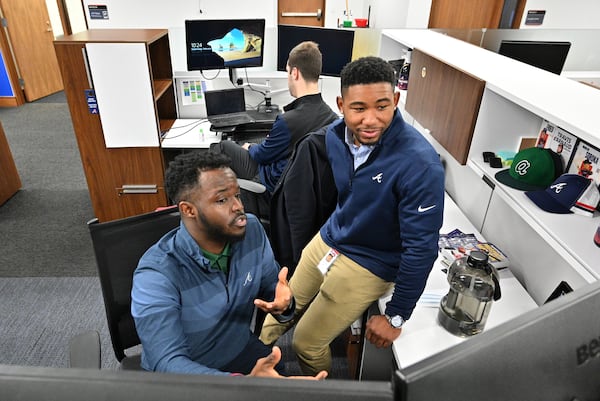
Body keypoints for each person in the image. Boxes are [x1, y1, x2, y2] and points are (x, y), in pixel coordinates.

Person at [259, 56, 446, 375]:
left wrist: (396, 316)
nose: (370, 119)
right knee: (277, 316)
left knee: (306, 344)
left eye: (382, 106)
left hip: (370, 262)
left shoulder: (420, 164)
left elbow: (421, 249)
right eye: (359, 108)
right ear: (341, 104)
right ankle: (242, 374)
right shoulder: (333, 136)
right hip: (330, 241)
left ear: (396, 100)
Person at [131, 151, 327, 379]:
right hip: (187, 372)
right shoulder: (156, 274)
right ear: (188, 210)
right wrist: (239, 384)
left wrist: (284, 305)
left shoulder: (251, 231)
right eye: (222, 200)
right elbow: (165, 361)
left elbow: (273, 291)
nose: (238, 207)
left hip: (238, 347)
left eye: (238, 195)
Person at [211, 41, 338, 196]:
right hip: (300, 188)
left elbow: (262, 155)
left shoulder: (287, 120)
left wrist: (249, 147)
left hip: (272, 183)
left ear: (295, 73)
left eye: (287, 72)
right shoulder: (333, 118)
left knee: (222, 146)